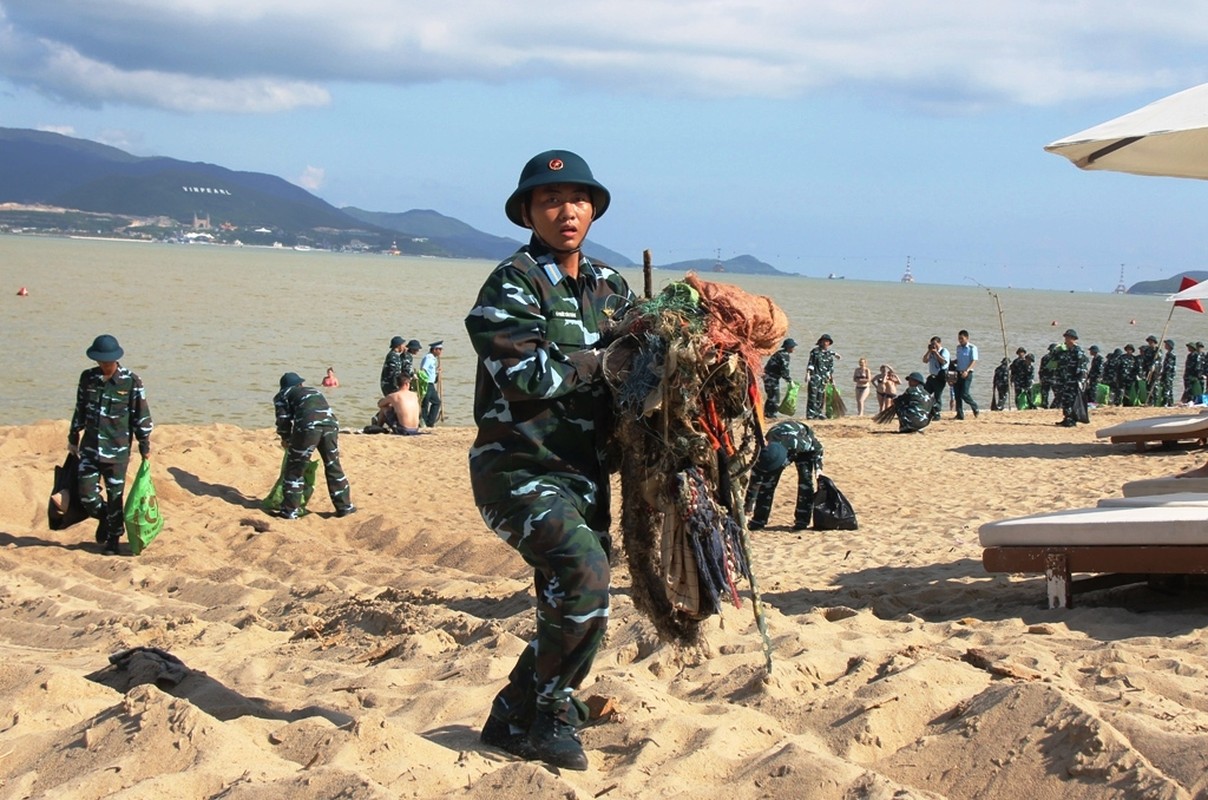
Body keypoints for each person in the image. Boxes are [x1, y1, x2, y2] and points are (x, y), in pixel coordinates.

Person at [465, 149, 634, 771]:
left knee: (569, 599)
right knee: (585, 576)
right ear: (529, 212)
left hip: (583, 473)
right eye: (551, 201)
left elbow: (635, 371)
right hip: (518, 468)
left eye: (579, 200)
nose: (567, 211)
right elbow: (525, 372)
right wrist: (601, 359)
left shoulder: (610, 286)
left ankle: (512, 714)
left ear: (593, 209)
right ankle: (554, 716)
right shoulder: (511, 282)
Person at [68, 334, 153, 554]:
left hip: (117, 451)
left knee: (116, 496)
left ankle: (113, 540)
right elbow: (80, 408)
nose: (105, 364)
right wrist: (73, 436)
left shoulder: (131, 381)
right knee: (87, 495)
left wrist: (144, 445)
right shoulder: (88, 378)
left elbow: (141, 414)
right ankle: (105, 518)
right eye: (101, 361)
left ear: (116, 359)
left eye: (108, 361)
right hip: (90, 448)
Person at [273, 372, 355, 519]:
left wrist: (285, 438)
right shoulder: (314, 390)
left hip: (308, 427)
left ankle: (290, 511)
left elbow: (283, 420)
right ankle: (345, 507)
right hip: (331, 425)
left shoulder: (283, 395)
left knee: (295, 468)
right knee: (333, 464)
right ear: (300, 384)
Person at [744, 420, 824, 531]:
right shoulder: (765, 452)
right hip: (779, 446)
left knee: (805, 482)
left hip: (804, 448)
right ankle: (758, 521)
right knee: (767, 484)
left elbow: (818, 448)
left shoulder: (801, 443)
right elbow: (754, 483)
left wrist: (819, 469)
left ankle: (802, 521)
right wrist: (747, 508)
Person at [1054, 329, 1089, 427]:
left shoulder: (1078, 352)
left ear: (1073, 339)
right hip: (1066, 380)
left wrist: (1081, 381)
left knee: (1072, 400)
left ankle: (1072, 419)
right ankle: (1067, 418)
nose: (1066, 340)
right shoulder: (1066, 352)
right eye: (1065, 337)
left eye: (1068, 338)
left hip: (1074, 381)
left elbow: (1082, 367)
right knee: (1066, 400)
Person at [762, 338, 796, 418]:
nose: (794, 349)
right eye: (793, 347)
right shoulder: (784, 356)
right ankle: (771, 414)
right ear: (788, 347)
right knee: (774, 397)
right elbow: (784, 370)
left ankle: (767, 413)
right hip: (771, 377)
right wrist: (789, 380)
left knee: (771, 395)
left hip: (768, 376)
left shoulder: (780, 353)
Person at [805, 334, 837, 420]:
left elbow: (830, 368)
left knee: (821, 396)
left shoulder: (829, 354)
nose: (826, 343)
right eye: (824, 341)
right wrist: (807, 374)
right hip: (815, 376)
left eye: (827, 341)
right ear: (820, 342)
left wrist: (832, 379)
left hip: (824, 378)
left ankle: (818, 413)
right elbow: (811, 363)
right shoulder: (815, 352)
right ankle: (811, 414)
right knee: (813, 395)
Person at [952, 329, 979, 419]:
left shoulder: (972, 348)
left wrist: (967, 370)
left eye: (962, 338)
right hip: (958, 372)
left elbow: (974, 360)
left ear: (967, 338)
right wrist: (952, 362)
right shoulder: (958, 347)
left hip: (967, 373)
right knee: (957, 394)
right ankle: (959, 414)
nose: (960, 340)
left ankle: (974, 406)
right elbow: (959, 359)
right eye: (959, 338)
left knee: (964, 393)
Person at [922, 336, 950, 420]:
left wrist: (936, 353)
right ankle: (928, 412)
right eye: (932, 344)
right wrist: (929, 351)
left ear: (939, 343)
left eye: (935, 344)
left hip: (940, 377)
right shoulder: (931, 352)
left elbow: (944, 362)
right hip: (932, 377)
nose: (934, 346)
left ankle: (937, 414)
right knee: (925, 394)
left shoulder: (944, 351)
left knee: (937, 397)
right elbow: (925, 360)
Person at [419, 341, 443, 427]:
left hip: (431, 383)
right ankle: (426, 421)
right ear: (434, 350)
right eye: (439, 349)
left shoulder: (433, 358)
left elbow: (430, 371)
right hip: (427, 383)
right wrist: (423, 381)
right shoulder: (429, 358)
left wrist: (437, 372)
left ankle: (429, 422)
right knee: (425, 403)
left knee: (436, 402)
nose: (440, 351)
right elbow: (423, 369)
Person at [1156, 339, 1177, 407]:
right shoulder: (1169, 354)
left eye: (1166, 345)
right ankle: (1170, 403)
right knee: (1169, 388)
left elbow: (1169, 366)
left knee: (1167, 388)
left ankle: (1166, 403)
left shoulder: (1170, 354)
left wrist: (1164, 374)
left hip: (1168, 374)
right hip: (1168, 374)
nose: (1165, 346)